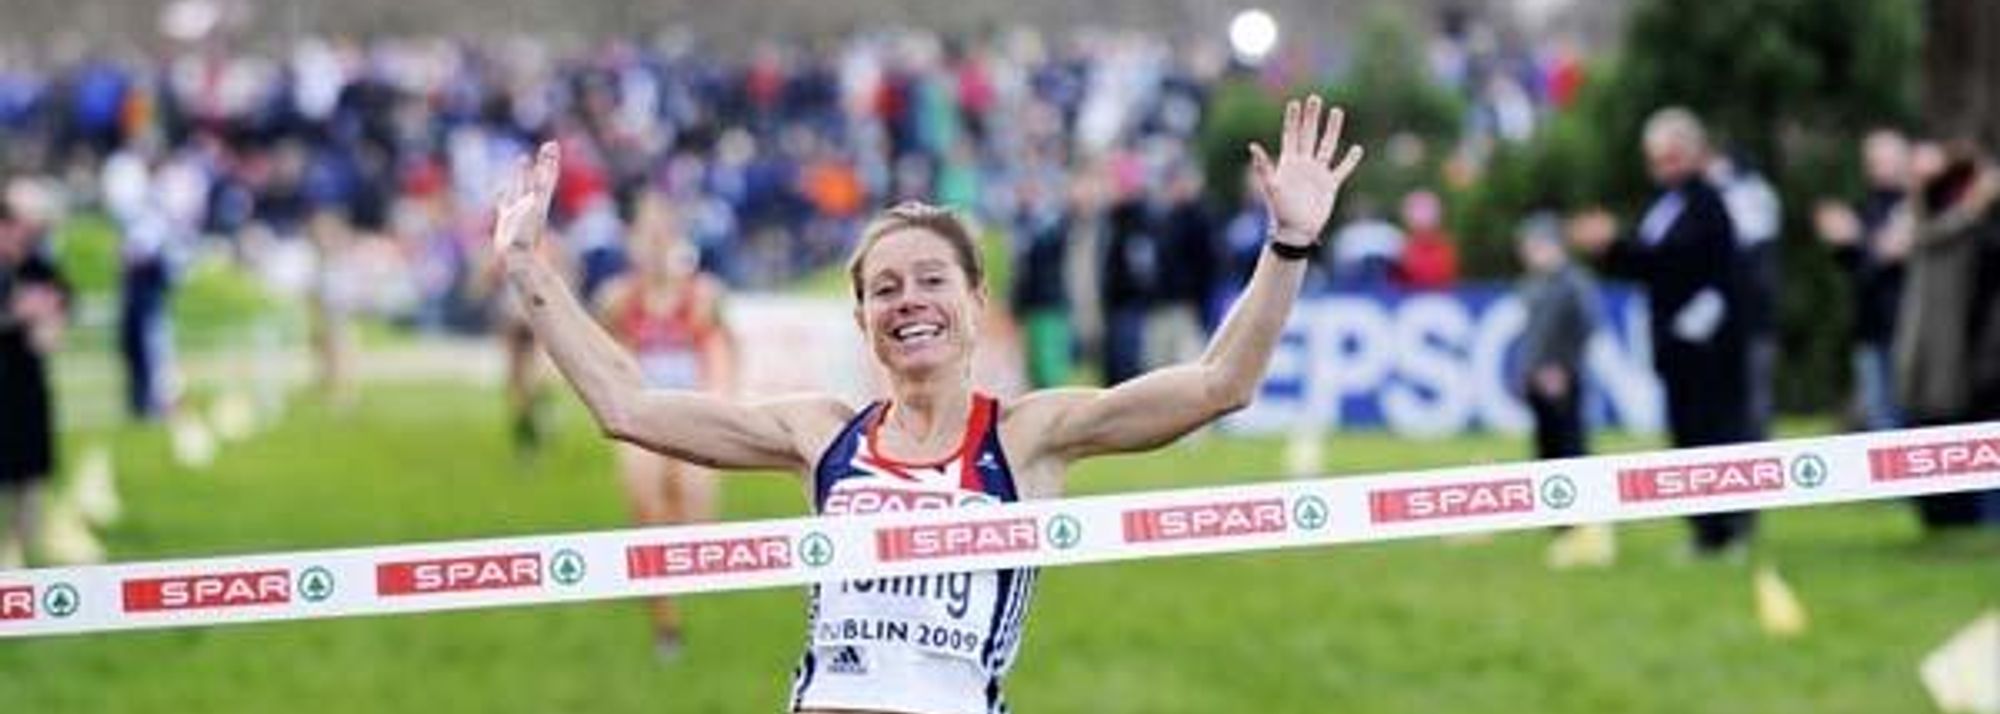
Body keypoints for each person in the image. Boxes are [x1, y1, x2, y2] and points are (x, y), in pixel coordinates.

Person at [492, 97, 1363, 714]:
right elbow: (629, 406)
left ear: (976, 303)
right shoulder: (821, 434)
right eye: (885, 288)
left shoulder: (1028, 435)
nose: (908, 300)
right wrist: (529, 269)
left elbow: (1218, 384)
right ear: (862, 318)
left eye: (932, 280)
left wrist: (1289, 243)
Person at [1571, 107, 1756, 558]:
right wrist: (1610, 250)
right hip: (1675, 344)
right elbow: (1649, 265)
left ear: (1693, 153)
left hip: (1706, 347)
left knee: (1712, 435)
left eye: (1670, 157)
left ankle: (1725, 530)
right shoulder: (1665, 205)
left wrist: (1617, 247)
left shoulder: (1707, 204)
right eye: (1655, 159)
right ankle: (1705, 532)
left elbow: (1687, 266)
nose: (1662, 168)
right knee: (1686, 436)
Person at [593, 191, 736, 657]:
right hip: (643, 420)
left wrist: (721, 407)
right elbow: (599, 357)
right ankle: (665, 625)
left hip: (693, 416)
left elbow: (724, 354)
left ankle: (664, 572)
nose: (654, 245)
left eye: (662, 233)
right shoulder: (617, 298)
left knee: (698, 520)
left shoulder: (704, 296)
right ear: (632, 241)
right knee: (645, 511)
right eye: (645, 235)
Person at [1893, 140, 2000, 530]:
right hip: (1943, 353)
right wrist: (1971, 206)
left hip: (1978, 346)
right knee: (1938, 432)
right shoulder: (1938, 216)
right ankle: (1950, 518)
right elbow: (1926, 232)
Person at [1814, 129, 1911, 431]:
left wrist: (1858, 237)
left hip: (1907, 329)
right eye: (1872, 161)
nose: (1877, 167)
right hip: (1870, 328)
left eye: (1884, 159)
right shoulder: (1868, 206)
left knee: (1908, 418)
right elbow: (1862, 264)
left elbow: (1891, 250)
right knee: (1880, 420)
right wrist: (1845, 243)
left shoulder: (1914, 205)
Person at [0, 187, 70, 569]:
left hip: (25, 383)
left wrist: (51, 317)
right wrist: (17, 315)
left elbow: (62, 304)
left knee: (29, 468)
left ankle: (23, 547)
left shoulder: (36, 267)